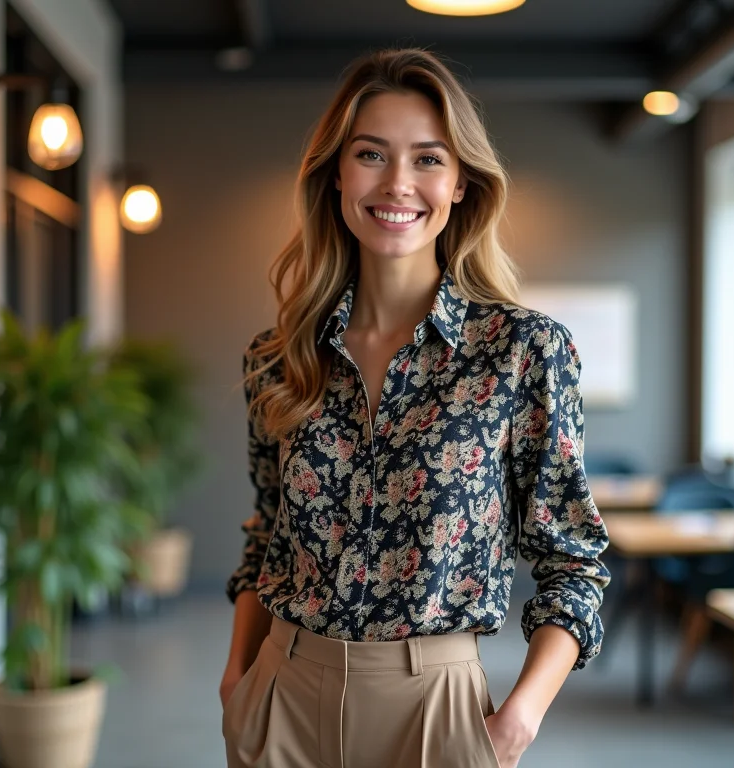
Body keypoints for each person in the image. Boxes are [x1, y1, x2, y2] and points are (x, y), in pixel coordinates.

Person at [220, 48, 611, 768]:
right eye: (371, 153)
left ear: (462, 182)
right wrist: (236, 682)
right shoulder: (277, 357)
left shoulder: (522, 350)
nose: (398, 182)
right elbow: (267, 530)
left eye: (428, 158)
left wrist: (516, 722)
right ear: (337, 172)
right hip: (283, 697)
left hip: (435, 711)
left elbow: (573, 563)